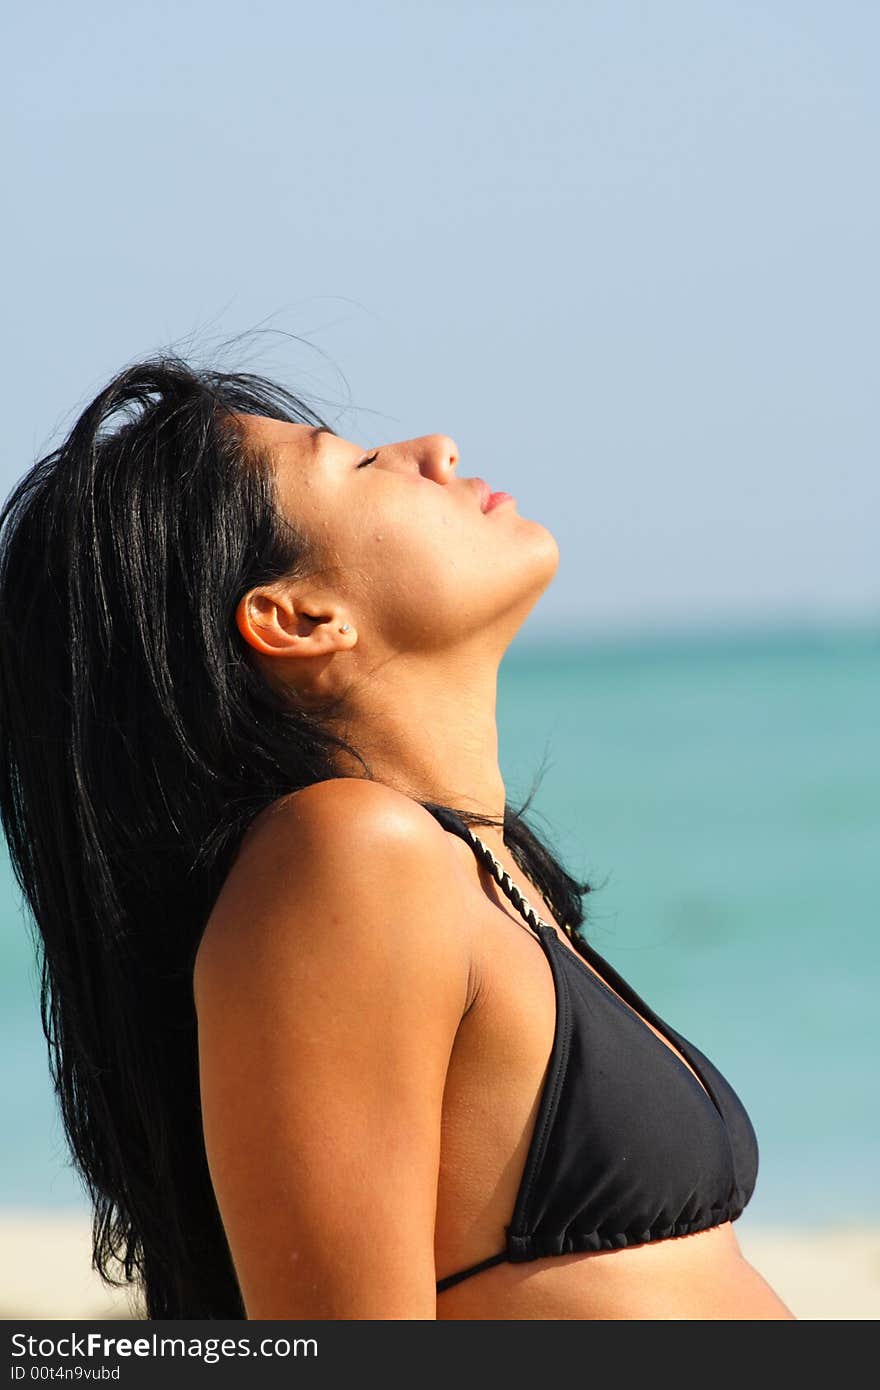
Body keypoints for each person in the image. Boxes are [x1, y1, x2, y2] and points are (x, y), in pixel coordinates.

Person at [0, 355, 794, 1320]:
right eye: (365, 462)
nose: (437, 449)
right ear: (298, 617)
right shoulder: (348, 854)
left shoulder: (475, 873)